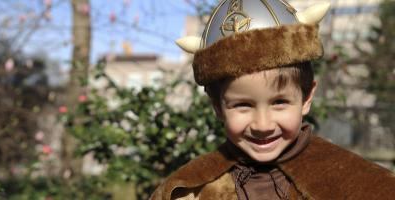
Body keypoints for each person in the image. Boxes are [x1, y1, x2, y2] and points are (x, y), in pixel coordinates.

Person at [150, 0, 395, 199]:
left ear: (307, 97)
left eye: (279, 102)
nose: (263, 125)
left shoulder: (359, 183)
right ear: (218, 106)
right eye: (243, 105)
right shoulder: (189, 190)